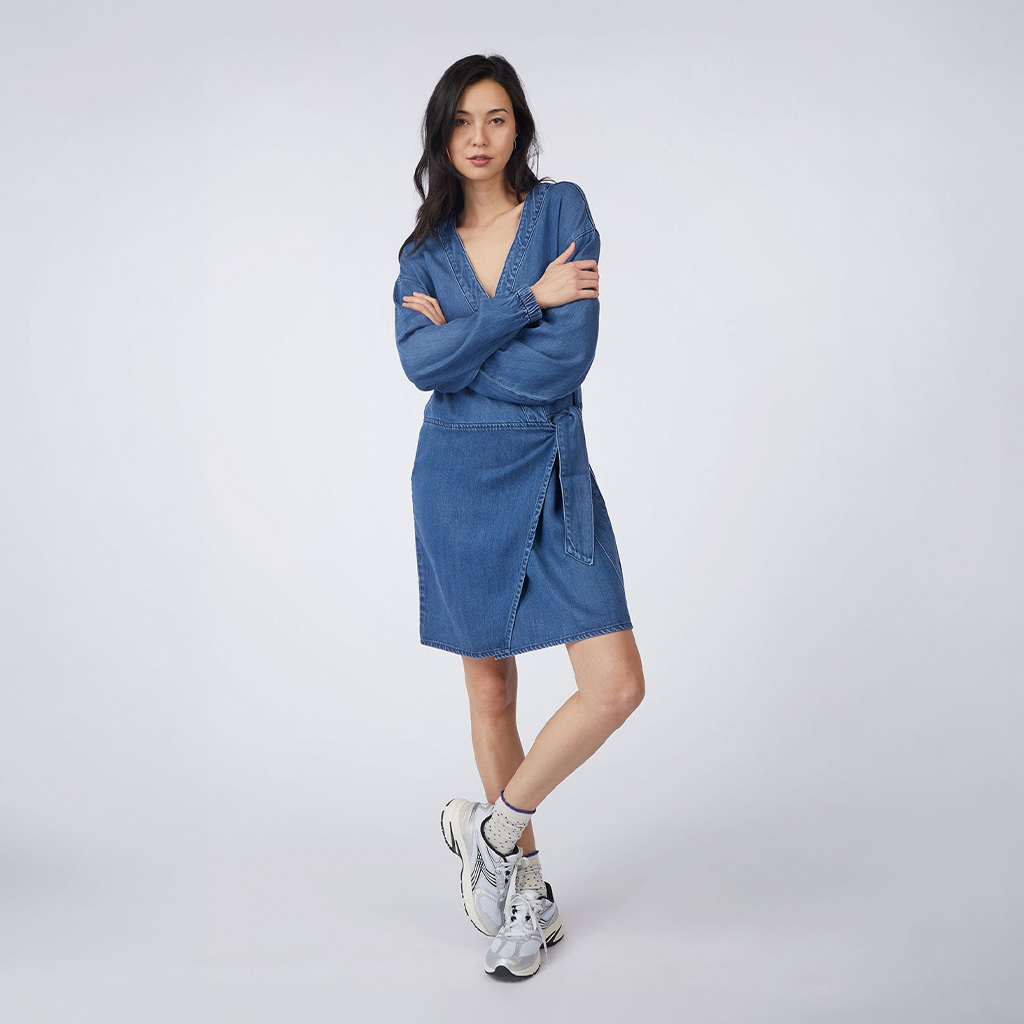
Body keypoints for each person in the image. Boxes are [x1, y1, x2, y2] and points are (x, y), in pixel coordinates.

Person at [392, 54, 645, 981]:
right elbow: (421, 369)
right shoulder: (423, 254)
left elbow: (563, 363)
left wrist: (465, 342)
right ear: (441, 133)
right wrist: (525, 304)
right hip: (458, 481)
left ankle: (493, 830)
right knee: (492, 693)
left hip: (553, 470)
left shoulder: (561, 211)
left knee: (615, 686)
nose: (479, 137)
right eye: (461, 120)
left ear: (519, 127)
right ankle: (527, 895)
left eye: (495, 118)